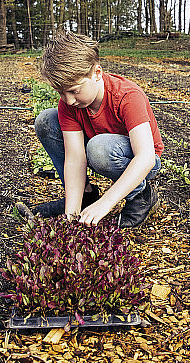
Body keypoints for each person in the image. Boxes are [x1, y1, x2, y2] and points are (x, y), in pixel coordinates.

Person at [28, 31, 163, 228]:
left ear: (97, 73)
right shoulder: (69, 104)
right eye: (61, 92)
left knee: (98, 148)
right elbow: (75, 159)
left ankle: (141, 196)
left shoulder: (127, 96)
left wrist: (106, 204)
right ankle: (86, 196)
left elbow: (146, 157)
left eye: (74, 90)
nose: (69, 100)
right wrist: (71, 216)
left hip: (140, 162)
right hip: (100, 151)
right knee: (46, 120)